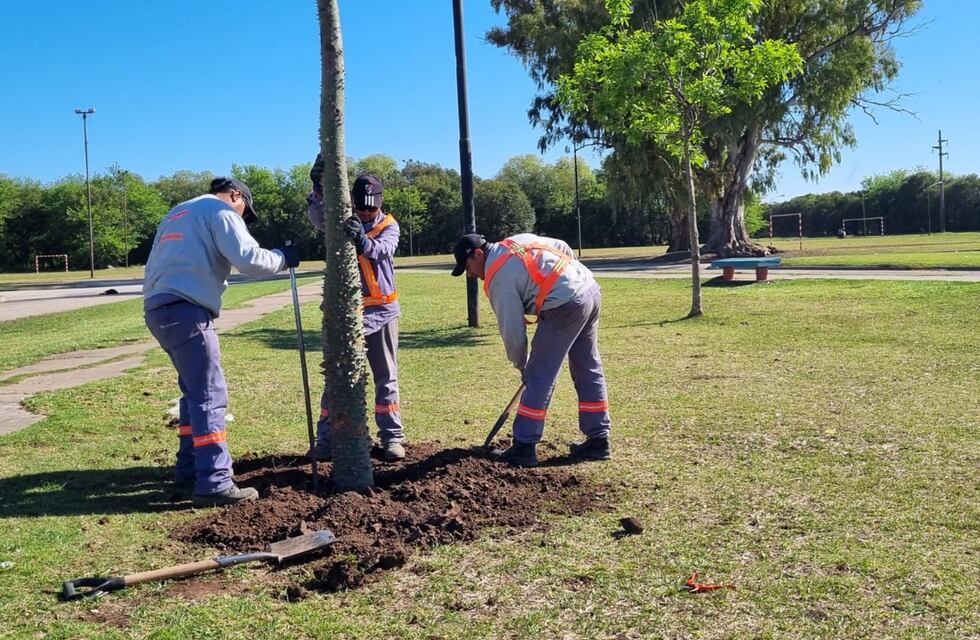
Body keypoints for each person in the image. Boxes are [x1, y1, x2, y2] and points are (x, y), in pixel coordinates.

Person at [143, 177, 299, 507]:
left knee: (193, 391)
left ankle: (189, 471)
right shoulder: (221, 211)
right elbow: (249, 260)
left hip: (159, 308)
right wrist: (283, 257)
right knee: (210, 394)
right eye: (245, 212)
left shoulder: (178, 212)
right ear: (235, 196)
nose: (243, 219)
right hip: (186, 309)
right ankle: (214, 481)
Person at [451, 232, 611, 467]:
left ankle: (524, 446)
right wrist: (569, 278)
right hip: (588, 289)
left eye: (468, 267)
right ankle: (599, 440)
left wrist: (524, 365)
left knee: (539, 376)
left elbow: (512, 331)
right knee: (587, 366)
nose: (471, 274)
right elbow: (562, 245)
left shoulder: (497, 276)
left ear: (478, 254)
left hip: (564, 305)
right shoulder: (517, 241)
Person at [307, 155, 406, 462]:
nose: (364, 213)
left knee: (385, 377)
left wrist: (362, 240)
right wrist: (319, 189)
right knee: (335, 377)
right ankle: (326, 438)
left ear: (380, 203)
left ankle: (392, 438)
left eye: (370, 208)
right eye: (360, 207)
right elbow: (319, 219)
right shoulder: (343, 218)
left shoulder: (389, 226)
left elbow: (382, 251)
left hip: (383, 313)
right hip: (345, 314)